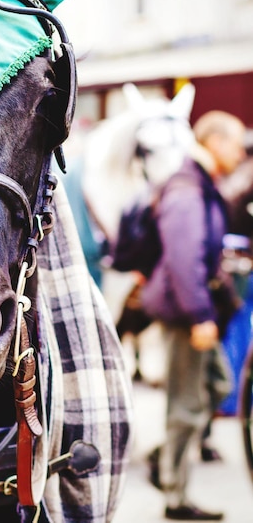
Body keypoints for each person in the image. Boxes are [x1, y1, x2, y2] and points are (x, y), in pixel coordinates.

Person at [141, 110, 246, 521]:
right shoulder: (188, 189)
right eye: (236, 142)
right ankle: (176, 496)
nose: (241, 152)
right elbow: (185, 260)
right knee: (186, 405)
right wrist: (200, 315)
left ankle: (166, 458)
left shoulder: (199, 184)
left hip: (196, 311)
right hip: (188, 314)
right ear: (214, 141)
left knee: (217, 383)